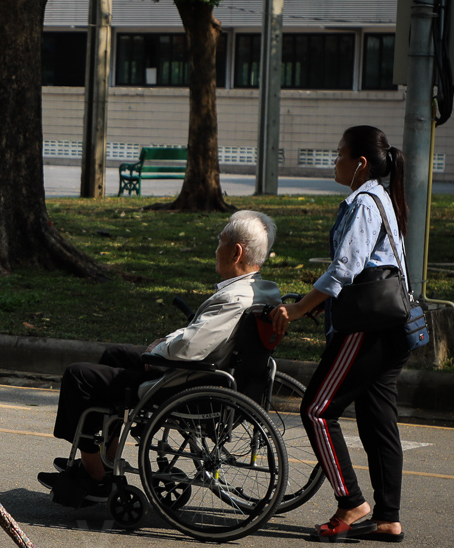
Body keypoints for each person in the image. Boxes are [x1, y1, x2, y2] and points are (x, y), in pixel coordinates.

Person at [40, 210, 283, 505]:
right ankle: (107, 456)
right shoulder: (265, 291)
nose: (215, 249)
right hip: (209, 372)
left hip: (185, 380)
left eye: (220, 242)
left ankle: (95, 476)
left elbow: (190, 348)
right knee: (113, 354)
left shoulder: (234, 298)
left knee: (79, 376)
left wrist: (155, 352)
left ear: (236, 252)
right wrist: (163, 345)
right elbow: (200, 336)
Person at [271, 126, 411, 543]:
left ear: (360, 164)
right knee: (377, 420)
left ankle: (351, 502)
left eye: (339, 155)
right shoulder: (384, 199)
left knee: (316, 410)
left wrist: (297, 309)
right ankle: (388, 517)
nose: (335, 162)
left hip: (366, 327)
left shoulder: (365, 202)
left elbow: (344, 270)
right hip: (395, 327)